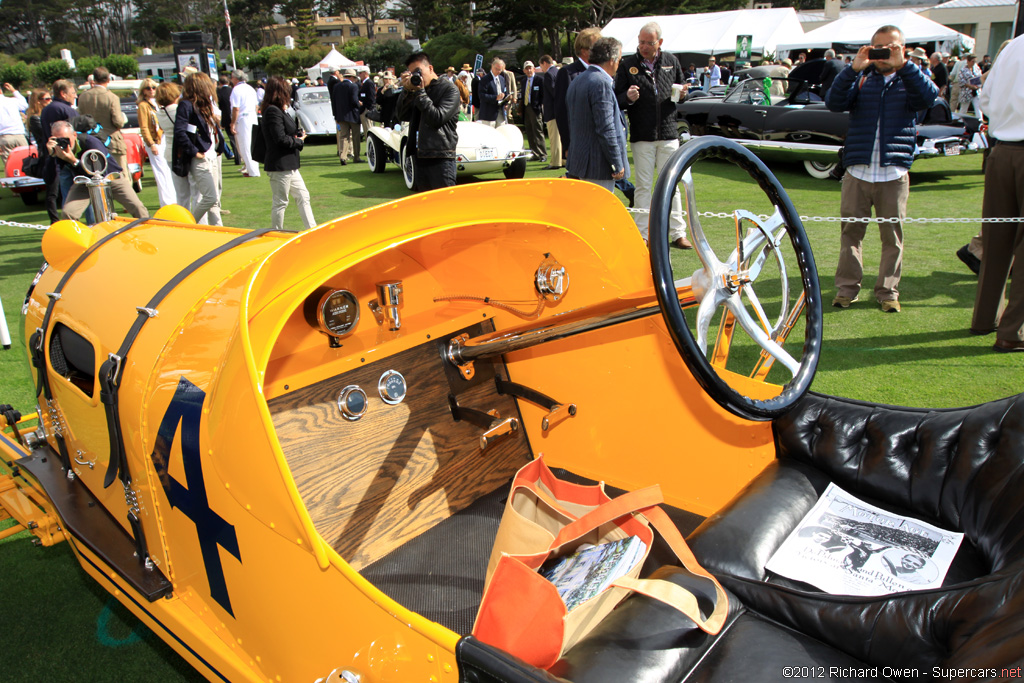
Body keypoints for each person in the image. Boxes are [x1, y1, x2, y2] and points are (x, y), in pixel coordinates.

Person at [827, 24, 939, 314]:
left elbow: (929, 98)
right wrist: (853, 68)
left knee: (893, 238)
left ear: (902, 48)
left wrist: (904, 67)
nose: (883, 53)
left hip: (894, 174)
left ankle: (888, 292)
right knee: (851, 235)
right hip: (858, 172)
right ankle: (847, 289)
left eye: (891, 47)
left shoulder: (911, 78)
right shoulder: (861, 78)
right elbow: (834, 103)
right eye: (879, 47)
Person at [969, 34, 1024, 352]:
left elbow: (985, 100)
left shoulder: (1012, 46)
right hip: (1010, 146)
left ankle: (984, 318)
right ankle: (1012, 330)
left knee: (996, 240)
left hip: (1001, 151)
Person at [615, 21, 691, 249]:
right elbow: (616, 99)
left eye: (648, 42)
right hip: (642, 135)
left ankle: (677, 232)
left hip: (669, 133)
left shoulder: (671, 61)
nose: (643, 46)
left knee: (672, 184)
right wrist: (628, 97)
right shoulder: (628, 64)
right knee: (643, 186)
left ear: (660, 42)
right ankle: (643, 234)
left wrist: (684, 93)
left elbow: (681, 92)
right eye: (640, 41)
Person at [48, 119, 148, 222]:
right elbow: (49, 177)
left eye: (65, 139)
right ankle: (78, 236)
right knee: (68, 213)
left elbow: (99, 172)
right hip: (85, 182)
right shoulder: (58, 149)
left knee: (137, 207)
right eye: (57, 140)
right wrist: (51, 155)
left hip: (110, 177)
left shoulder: (90, 142)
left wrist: (73, 161)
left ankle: (148, 230)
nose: (63, 143)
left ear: (74, 135)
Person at [565, 37, 629, 193]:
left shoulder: (579, 80)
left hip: (581, 162)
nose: (618, 65)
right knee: (597, 214)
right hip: (597, 165)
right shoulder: (600, 83)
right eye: (619, 60)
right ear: (612, 60)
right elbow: (606, 128)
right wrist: (616, 163)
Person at [396, 51, 460, 192]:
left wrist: (420, 93)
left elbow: (437, 118)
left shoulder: (449, 89)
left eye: (418, 71)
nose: (416, 76)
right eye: (412, 73)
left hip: (441, 156)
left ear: (430, 68)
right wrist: (406, 91)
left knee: (445, 206)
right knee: (426, 208)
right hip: (419, 156)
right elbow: (401, 115)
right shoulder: (417, 91)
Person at [260, 76, 316, 231]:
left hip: (289, 164)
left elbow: (285, 132)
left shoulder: (279, 110)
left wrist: (297, 134)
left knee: (303, 196)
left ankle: (312, 229)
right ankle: (277, 232)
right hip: (280, 164)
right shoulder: (272, 111)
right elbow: (280, 139)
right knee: (281, 202)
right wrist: (299, 141)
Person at [175, 72, 224, 225]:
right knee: (210, 197)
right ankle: (188, 224)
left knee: (214, 200)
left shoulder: (206, 106)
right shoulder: (186, 105)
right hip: (200, 157)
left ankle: (220, 232)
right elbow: (180, 132)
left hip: (212, 155)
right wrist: (194, 152)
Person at [555, 27, 603, 152]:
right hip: (579, 145)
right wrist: (567, 144)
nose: (602, 52)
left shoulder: (603, 72)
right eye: (597, 48)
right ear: (584, 51)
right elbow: (562, 112)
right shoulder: (568, 73)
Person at [40, 80, 80, 223]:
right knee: (84, 192)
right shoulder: (65, 109)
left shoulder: (47, 109)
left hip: (55, 156)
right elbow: (79, 130)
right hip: (70, 156)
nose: (75, 96)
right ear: (63, 94)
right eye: (73, 93)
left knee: (65, 195)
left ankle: (67, 225)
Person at [77, 67, 128, 175]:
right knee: (119, 175)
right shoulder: (112, 97)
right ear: (108, 79)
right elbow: (118, 121)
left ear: (94, 79)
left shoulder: (83, 96)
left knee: (96, 175)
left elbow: (80, 119)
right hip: (111, 140)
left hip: (90, 141)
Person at [135, 78, 174, 207]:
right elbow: (144, 127)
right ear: (143, 91)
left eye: (153, 87)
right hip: (154, 140)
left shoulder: (159, 103)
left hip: (164, 138)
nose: (151, 90)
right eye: (148, 88)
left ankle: (173, 199)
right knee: (161, 171)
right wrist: (151, 144)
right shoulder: (143, 105)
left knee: (168, 170)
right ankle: (167, 202)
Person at [154, 82, 190, 209]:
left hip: (170, 152)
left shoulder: (160, 112)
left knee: (181, 193)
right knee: (195, 190)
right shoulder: (177, 110)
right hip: (184, 151)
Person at [229, 69, 260, 177]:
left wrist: (233, 123)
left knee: (245, 146)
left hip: (243, 118)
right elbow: (256, 106)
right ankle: (251, 168)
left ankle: (253, 171)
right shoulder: (251, 88)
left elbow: (236, 108)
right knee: (251, 145)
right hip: (252, 116)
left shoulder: (236, 90)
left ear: (236, 78)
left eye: (232, 77)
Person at [331, 69, 360, 165]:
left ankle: (343, 156)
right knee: (355, 137)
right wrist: (360, 104)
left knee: (343, 136)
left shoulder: (337, 86)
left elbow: (333, 102)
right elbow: (354, 101)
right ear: (351, 77)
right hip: (353, 115)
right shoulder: (353, 86)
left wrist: (335, 115)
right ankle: (356, 157)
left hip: (341, 115)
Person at [538, 56, 562, 169]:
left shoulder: (548, 75)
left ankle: (555, 162)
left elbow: (553, 92)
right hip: (559, 110)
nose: (542, 69)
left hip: (552, 110)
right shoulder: (558, 72)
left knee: (554, 138)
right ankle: (562, 160)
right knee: (560, 137)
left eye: (541, 66)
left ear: (544, 63)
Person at [520, 61, 546, 162]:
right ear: (524, 70)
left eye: (530, 68)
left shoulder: (539, 80)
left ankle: (542, 154)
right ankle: (534, 153)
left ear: (534, 69)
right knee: (529, 131)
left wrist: (539, 106)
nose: (529, 70)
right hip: (526, 108)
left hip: (535, 108)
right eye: (527, 68)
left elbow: (543, 95)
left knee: (538, 131)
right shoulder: (523, 80)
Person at [0, 83, 28, 167]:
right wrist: (13, 90)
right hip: (19, 134)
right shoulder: (12, 100)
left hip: (5, 137)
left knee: (10, 166)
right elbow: (24, 105)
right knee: (27, 162)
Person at [478, 58, 510, 127]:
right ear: (492, 66)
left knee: (501, 132)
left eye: (500, 70)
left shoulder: (502, 79)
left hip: (500, 112)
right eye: (496, 69)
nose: (498, 71)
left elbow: (504, 91)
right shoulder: (485, 79)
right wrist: (495, 97)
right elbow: (481, 95)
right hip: (488, 113)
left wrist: (506, 98)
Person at [217, 75, 239, 164]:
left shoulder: (218, 92)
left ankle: (237, 158)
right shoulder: (233, 91)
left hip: (226, 118)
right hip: (236, 117)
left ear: (220, 83)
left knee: (232, 139)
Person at [357, 66, 376, 151]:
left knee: (368, 130)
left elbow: (371, 98)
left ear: (365, 73)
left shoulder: (369, 83)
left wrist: (369, 110)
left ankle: (371, 149)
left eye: (360, 73)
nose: (359, 75)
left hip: (367, 110)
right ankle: (370, 148)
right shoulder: (364, 83)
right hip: (364, 110)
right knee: (366, 131)